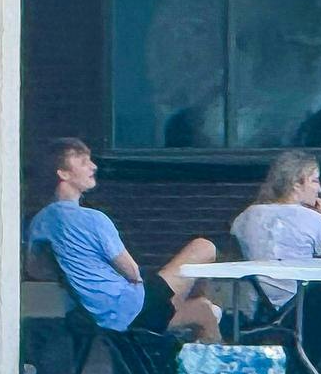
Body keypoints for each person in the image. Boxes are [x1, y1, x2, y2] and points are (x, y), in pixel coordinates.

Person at [25, 138, 222, 340]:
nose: (93, 166)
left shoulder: (40, 222)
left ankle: (189, 309)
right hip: (133, 311)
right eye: (84, 162)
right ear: (63, 174)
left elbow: (35, 269)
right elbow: (132, 272)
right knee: (204, 247)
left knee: (203, 310)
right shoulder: (93, 219)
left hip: (87, 317)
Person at [231, 150, 321, 309]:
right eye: (315, 181)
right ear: (296, 183)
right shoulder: (316, 220)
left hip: (252, 307)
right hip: (298, 307)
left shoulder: (243, 217)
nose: (319, 189)